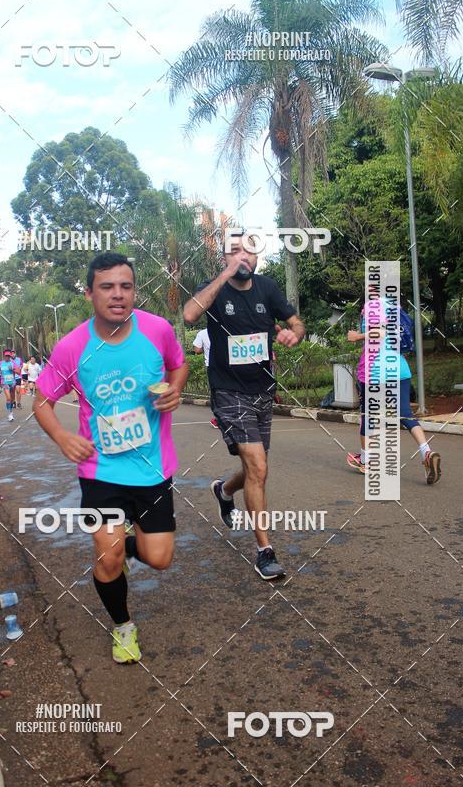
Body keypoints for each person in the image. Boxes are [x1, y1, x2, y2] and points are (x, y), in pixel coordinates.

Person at [34, 252, 188, 664]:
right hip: (101, 471)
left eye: (126, 286)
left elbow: (179, 366)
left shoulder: (156, 330)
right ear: (89, 293)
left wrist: (175, 389)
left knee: (159, 558)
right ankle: (123, 626)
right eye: (107, 287)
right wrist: (63, 438)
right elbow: (42, 401)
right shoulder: (72, 347)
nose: (118, 295)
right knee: (108, 555)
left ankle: (126, 544)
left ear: (134, 290)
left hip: (153, 468)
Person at [183, 232, 305, 580]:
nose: (242, 256)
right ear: (223, 258)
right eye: (234, 251)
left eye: (248, 250)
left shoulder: (268, 288)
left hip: (263, 390)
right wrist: (223, 277)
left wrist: (294, 332)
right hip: (229, 391)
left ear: (257, 256)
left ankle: (224, 490)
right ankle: (265, 551)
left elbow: (297, 321)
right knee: (258, 466)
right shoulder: (215, 288)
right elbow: (190, 314)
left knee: (257, 469)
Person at [346, 299, 441, 484]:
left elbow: (381, 333)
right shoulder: (394, 306)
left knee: (368, 415)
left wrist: (357, 336)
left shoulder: (373, 305)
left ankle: (366, 461)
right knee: (405, 414)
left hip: (375, 372)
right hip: (399, 369)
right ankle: (427, 452)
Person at [0, 350, 17, 422]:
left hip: (12, 382)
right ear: (4, 356)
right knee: (8, 398)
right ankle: (9, 414)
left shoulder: (13, 363)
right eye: (6, 356)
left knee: (12, 399)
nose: (7, 357)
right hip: (5, 382)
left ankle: (11, 411)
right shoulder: (0, 363)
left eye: (9, 356)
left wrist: (12, 369)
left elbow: (18, 372)